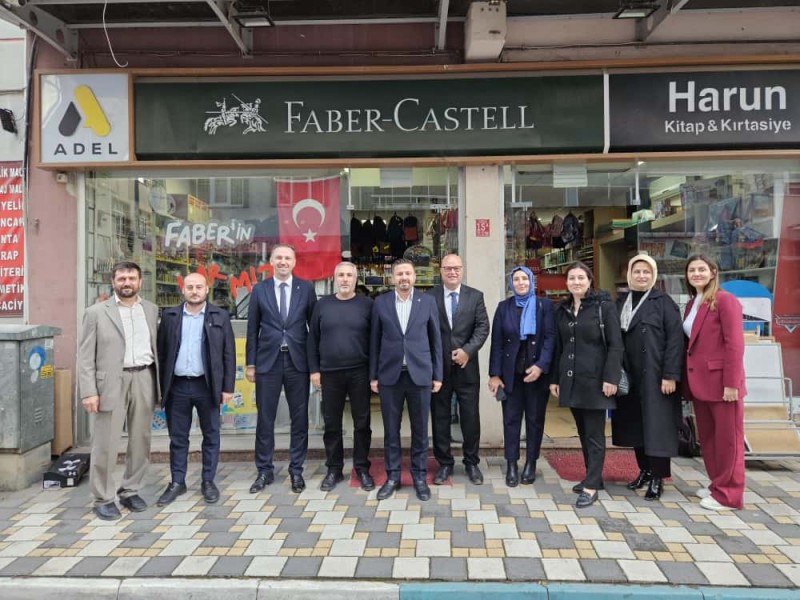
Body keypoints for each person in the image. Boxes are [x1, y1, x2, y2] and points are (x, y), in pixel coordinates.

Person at [77, 261, 159, 521]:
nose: (127, 283)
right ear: (113, 282)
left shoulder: (150, 310)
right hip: (111, 382)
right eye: (122, 278)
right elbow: (85, 356)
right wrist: (88, 391)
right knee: (106, 442)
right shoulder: (96, 313)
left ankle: (130, 490)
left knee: (141, 439)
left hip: (144, 377)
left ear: (140, 282)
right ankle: (103, 497)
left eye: (132, 278)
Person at [156, 272, 236, 506]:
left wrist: (227, 388)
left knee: (211, 435)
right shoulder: (170, 316)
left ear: (206, 289)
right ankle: (177, 482)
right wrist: (160, 388)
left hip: (207, 386)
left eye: (199, 287)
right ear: (183, 289)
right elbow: (161, 353)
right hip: (177, 386)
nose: (194, 291)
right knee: (178, 437)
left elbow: (228, 354)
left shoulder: (220, 316)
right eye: (190, 287)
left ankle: (208, 481)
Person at [549, 261, 623, 508]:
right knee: (582, 431)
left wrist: (611, 378)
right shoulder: (563, 309)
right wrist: (555, 379)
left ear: (590, 280)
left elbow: (616, 345)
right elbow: (559, 347)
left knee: (594, 434)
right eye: (572, 278)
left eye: (581, 278)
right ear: (566, 282)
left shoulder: (603, 306)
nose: (576, 282)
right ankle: (593, 476)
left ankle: (591, 486)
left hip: (596, 381)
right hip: (571, 380)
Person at [611, 254, 684, 501]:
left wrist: (670, 375)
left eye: (646, 272)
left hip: (656, 376)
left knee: (657, 428)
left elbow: (675, 342)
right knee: (636, 426)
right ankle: (644, 470)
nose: (641, 276)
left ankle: (658, 478)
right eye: (637, 271)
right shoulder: (622, 302)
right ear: (629, 275)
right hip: (630, 376)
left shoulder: (664, 303)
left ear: (653, 275)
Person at [246, 244, 317, 494]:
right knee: (266, 418)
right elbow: (252, 329)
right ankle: (264, 470)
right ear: (271, 261)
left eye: (288, 258)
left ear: (294, 262)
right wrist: (251, 363)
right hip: (268, 362)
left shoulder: (306, 289)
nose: (283, 262)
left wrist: (315, 365)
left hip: (298, 362)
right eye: (279, 258)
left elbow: (314, 330)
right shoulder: (260, 290)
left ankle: (296, 470)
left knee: (300, 418)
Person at [370, 258, 443, 501]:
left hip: (420, 375)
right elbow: (374, 342)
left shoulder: (427, 301)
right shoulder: (380, 303)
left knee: (420, 430)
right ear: (392, 278)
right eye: (399, 274)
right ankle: (392, 477)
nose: (404, 278)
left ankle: (419, 477)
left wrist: (438, 375)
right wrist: (373, 375)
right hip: (389, 376)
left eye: (408, 274)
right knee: (391, 430)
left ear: (414, 277)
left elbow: (435, 340)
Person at [682, 254, 746, 511]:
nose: (696, 274)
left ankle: (729, 495)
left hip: (723, 385)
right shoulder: (693, 303)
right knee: (709, 439)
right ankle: (717, 484)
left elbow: (735, 344)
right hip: (701, 384)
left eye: (701, 269)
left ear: (713, 272)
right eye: (692, 270)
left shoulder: (725, 300)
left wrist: (732, 383)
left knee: (729, 441)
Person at [308, 262, 375, 492]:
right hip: (330, 373)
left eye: (349, 275)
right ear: (335, 278)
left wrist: (374, 373)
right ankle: (334, 469)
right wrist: (314, 370)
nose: (345, 279)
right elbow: (312, 340)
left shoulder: (367, 305)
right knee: (332, 424)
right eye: (341, 275)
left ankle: (362, 468)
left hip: (360, 372)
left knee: (362, 423)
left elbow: (375, 341)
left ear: (356, 279)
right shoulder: (322, 305)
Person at [488, 266, 556, 487]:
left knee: (535, 420)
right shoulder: (504, 307)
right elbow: (497, 343)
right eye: (516, 279)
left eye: (524, 279)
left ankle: (530, 463)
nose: (521, 283)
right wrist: (494, 374)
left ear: (531, 281)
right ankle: (511, 463)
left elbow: (550, 338)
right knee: (511, 420)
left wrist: (541, 366)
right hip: (511, 376)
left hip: (537, 375)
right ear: (511, 284)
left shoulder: (544, 305)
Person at [428, 254, 490, 486]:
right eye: (447, 268)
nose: (452, 272)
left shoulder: (475, 296)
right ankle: (444, 463)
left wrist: (467, 351)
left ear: (462, 270)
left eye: (456, 268)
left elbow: (483, 327)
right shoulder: (429, 297)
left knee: (470, 418)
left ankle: (471, 462)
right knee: (440, 417)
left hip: (467, 368)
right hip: (439, 369)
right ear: (441, 271)